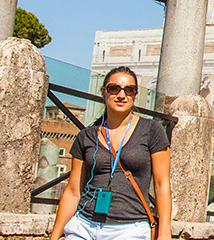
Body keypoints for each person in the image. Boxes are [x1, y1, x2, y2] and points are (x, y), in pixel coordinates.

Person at [49, 67, 172, 240]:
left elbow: (162, 185)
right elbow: (72, 191)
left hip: (130, 228)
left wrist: (164, 233)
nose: (121, 95)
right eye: (114, 88)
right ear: (103, 92)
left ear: (135, 95)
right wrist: (54, 236)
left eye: (129, 90)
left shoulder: (152, 130)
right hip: (84, 224)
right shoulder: (87, 136)